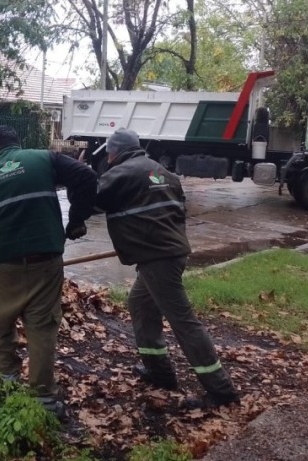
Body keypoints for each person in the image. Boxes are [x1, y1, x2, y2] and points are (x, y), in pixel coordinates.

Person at [95, 127, 240, 408]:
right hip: (173, 252)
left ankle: (221, 390)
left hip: (157, 258)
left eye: (110, 152)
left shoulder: (121, 172)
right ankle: (158, 371)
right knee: (140, 304)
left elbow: (92, 197)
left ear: (115, 152)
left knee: (183, 321)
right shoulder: (164, 173)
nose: (109, 157)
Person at [0, 125, 97, 417]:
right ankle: (43, 401)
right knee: (42, 327)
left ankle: (8, 387)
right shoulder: (43, 158)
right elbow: (86, 176)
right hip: (45, 261)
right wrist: (76, 220)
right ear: (18, 145)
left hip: (3, 265)